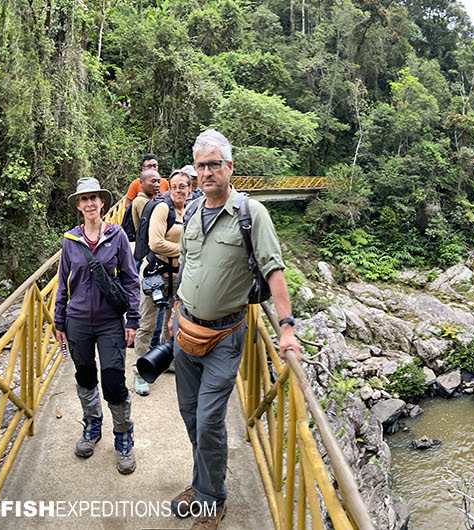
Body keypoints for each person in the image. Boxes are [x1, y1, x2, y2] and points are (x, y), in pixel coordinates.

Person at [168, 130, 304, 530]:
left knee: (209, 419)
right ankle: (201, 483)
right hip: (186, 331)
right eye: (201, 166)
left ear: (229, 167)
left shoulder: (251, 213)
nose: (207, 172)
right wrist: (177, 308)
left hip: (225, 337)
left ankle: (212, 500)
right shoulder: (191, 210)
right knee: (190, 415)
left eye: (214, 164)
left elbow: (273, 269)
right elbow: (189, 264)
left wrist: (287, 328)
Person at [54, 177, 143, 475]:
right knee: (85, 376)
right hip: (77, 320)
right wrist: (59, 320)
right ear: (78, 206)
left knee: (114, 382)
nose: (90, 203)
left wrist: (132, 319)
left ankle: (123, 436)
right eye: (84, 199)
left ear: (103, 202)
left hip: (109, 322)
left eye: (94, 198)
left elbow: (131, 279)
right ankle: (92, 426)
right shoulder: (70, 240)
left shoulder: (116, 236)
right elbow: (63, 284)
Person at [129, 167, 193, 397]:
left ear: (190, 188)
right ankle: (139, 370)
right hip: (155, 273)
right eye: (174, 186)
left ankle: (162, 362)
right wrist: (185, 250)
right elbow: (155, 243)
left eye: (182, 186)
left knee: (171, 322)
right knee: (147, 324)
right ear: (170, 188)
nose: (178, 190)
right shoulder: (162, 209)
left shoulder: (191, 211)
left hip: (179, 275)